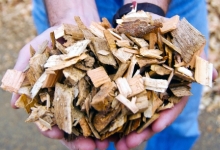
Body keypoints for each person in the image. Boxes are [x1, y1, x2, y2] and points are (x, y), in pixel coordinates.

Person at [11, 0, 218, 150]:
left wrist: (147, 9)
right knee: (102, 137)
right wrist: (69, 12)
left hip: (172, 6)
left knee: (177, 125)